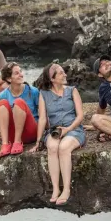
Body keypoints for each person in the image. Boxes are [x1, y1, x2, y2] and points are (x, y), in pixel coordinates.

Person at [29, 62, 86, 206]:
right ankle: (55, 189)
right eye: (61, 73)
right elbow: (42, 118)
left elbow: (80, 116)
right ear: (52, 79)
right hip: (54, 131)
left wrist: (67, 130)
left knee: (64, 148)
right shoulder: (44, 94)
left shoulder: (72, 90)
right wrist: (37, 142)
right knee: (53, 147)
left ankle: (66, 189)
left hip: (74, 129)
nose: (65, 74)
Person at [0, 62, 39, 157]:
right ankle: (5, 144)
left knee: (19, 102)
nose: (21, 74)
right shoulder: (3, 95)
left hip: (31, 132)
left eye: (20, 71)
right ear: (8, 78)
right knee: (2, 103)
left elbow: (43, 114)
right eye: (16, 73)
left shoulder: (33, 91)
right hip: (13, 133)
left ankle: (17, 142)